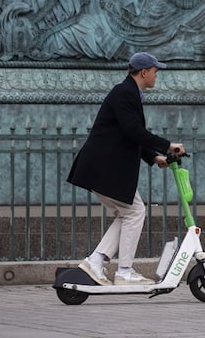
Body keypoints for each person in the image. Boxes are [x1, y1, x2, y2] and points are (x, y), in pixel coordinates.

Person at [66, 52, 185, 286]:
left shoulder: (129, 93)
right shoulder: (124, 93)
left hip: (104, 168)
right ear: (144, 72)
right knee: (135, 212)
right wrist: (168, 145)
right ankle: (124, 271)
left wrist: (154, 157)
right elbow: (132, 131)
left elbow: (128, 135)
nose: (156, 75)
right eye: (155, 70)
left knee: (128, 213)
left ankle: (97, 261)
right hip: (105, 168)